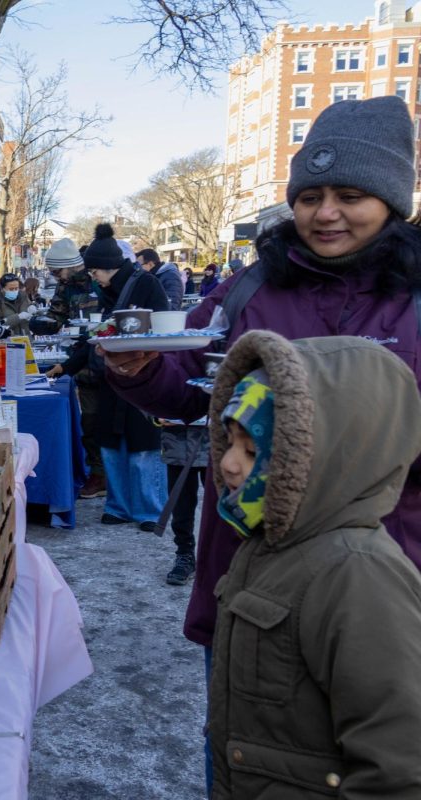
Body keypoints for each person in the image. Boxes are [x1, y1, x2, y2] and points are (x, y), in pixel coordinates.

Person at [101, 96, 421, 792]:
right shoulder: (248, 289)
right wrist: (143, 370)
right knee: (248, 752)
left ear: (393, 202)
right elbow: (191, 388)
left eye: (350, 195)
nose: (325, 213)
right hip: (249, 577)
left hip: (378, 581)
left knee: (381, 755)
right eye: (309, 196)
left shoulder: (414, 298)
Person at [208, 331, 421, 799]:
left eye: (252, 449)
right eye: (229, 441)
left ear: (323, 454)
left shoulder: (358, 574)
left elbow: (398, 769)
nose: (227, 463)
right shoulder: (269, 544)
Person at [84, 224, 170, 528]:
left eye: (95, 271)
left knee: (143, 445)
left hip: (143, 375)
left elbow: (161, 327)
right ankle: (118, 506)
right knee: (111, 443)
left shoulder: (146, 284)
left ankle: (150, 509)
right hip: (112, 378)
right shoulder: (108, 291)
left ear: (108, 267)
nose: (93, 277)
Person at [43, 237, 106, 498]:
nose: (56, 276)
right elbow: (56, 315)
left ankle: (109, 474)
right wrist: (45, 323)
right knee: (90, 419)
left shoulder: (99, 282)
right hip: (79, 361)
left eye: (57, 271)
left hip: (104, 356)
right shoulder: (64, 286)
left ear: (69, 265)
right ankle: (99, 474)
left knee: (106, 420)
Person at [156, 418, 208, 585]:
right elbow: (147, 393)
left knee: (222, 507)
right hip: (177, 443)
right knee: (181, 505)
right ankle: (185, 553)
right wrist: (155, 415)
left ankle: (223, 557)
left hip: (221, 442)